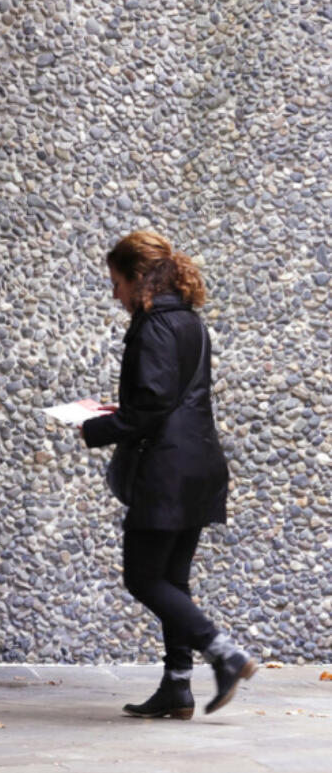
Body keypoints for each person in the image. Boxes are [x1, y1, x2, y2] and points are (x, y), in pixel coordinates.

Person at [80, 230, 255, 719]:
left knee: (142, 578)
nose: (114, 294)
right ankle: (177, 686)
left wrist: (95, 426)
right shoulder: (189, 322)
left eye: (116, 283)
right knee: (173, 581)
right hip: (197, 463)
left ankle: (223, 652)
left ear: (138, 278)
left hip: (166, 470)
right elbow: (169, 395)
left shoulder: (154, 325)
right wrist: (126, 408)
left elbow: (153, 404)